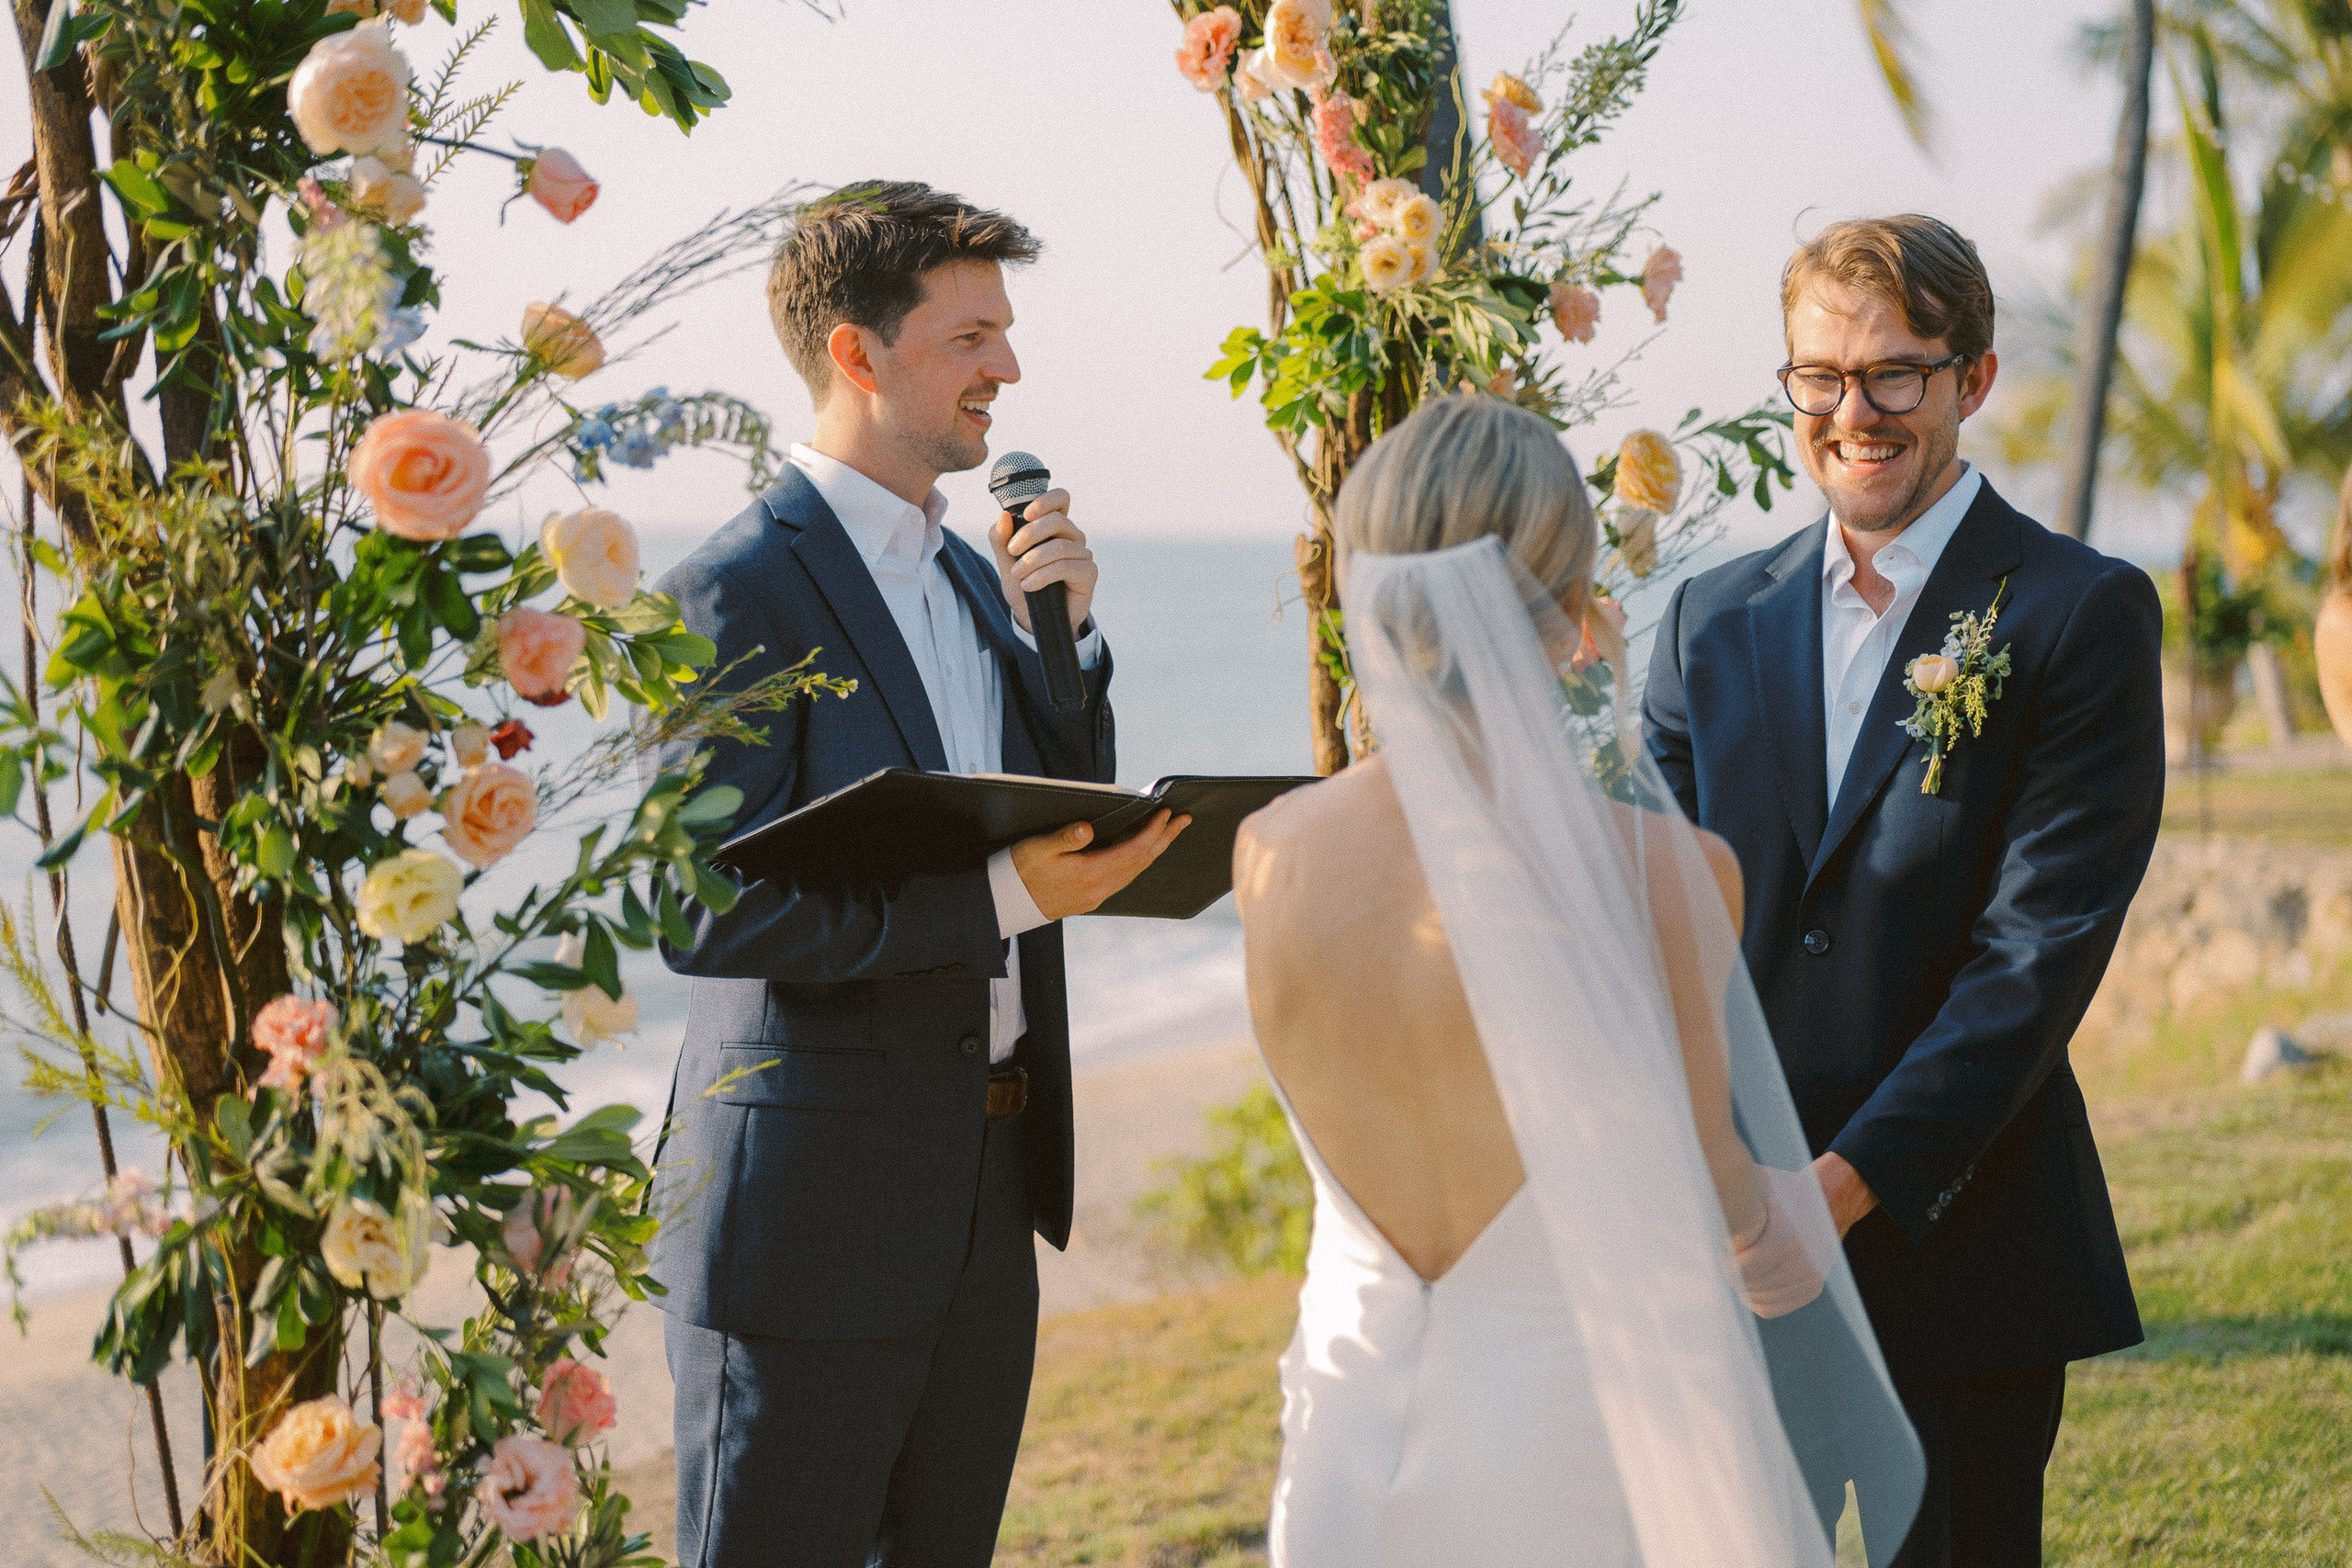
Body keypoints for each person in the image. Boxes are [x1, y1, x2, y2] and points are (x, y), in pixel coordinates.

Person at [1234, 394, 1921, 1568]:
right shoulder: (1668, 874)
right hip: (1570, 1439)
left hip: (1345, 1438)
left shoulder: (1269, 850)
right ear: (1571, 612)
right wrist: (1781, 1216)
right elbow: (1715, 1189)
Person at [645, 181, 1187, 1568]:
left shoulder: (965, 570)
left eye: (1004, 332)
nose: (1008, 367)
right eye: (971, 335)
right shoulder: (733, 590)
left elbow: (1038, 808)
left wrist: (1068, 639)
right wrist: (1006, 903)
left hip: (985, 1188)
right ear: (856, 352)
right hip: (806, 1214)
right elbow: (697, 904)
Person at [1643, 215, 2163, 1566]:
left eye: (1894, 374)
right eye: (1818, 374)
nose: (1852, 411)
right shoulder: (1710, 620)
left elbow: (2035, 954)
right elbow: (1656, 927)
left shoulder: (2074, 611)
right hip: (1738, 1257)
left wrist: (1845, 1185)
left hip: (1967, 1247)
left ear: (1971, 380)